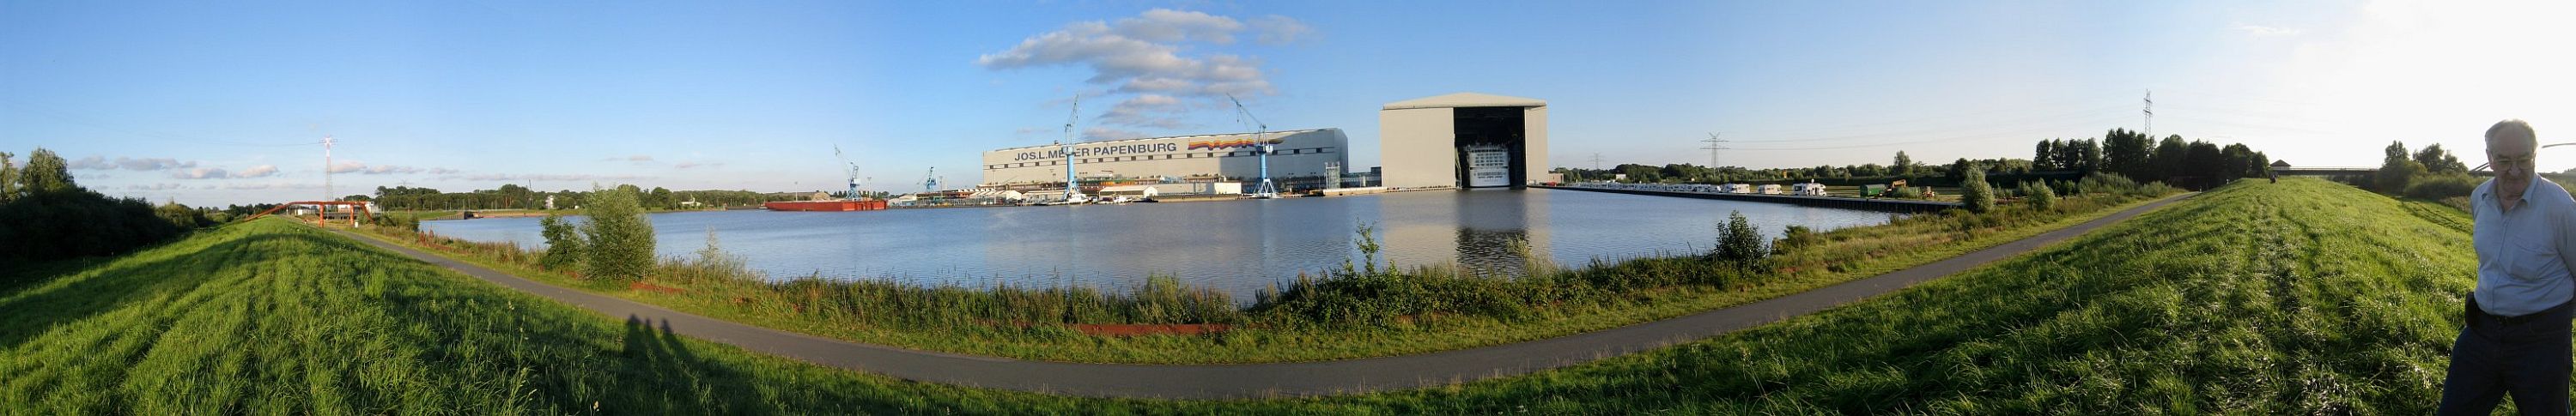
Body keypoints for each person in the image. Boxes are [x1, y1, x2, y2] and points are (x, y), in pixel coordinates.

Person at [2441, 119, 2576, 415]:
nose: (2514, 171)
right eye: (2503, 161)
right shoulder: (2480, 198)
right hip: (2480, 332)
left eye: (2523, 160)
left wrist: (2554, 324)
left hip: (2541, 345)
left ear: (2535, 156)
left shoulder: (2560, 207)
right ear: (2489, 157)